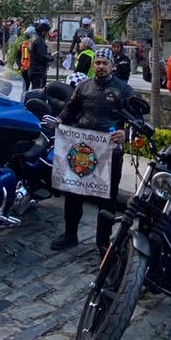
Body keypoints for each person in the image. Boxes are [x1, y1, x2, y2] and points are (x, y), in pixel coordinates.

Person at [52, 47, 132, 252]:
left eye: (105, 63)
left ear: (112, 66)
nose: (101, 66)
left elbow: (136, 119)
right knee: (74, 194)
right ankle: (70, 235)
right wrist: (59, 120)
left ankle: (103, 241)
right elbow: (70, 110)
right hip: (82, 150)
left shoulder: (124, 90)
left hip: (109, 153)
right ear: (93, 64)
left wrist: (126, 134)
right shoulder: (83, 87)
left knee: (107, 199)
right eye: (97, 62)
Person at [29, 21, 52, 89]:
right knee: (38, 91)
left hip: (33, 69)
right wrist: (50, 58)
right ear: (44, 32)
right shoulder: (39, 40)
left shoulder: (34, 38)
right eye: (47, 32)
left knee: (34, 89)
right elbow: (41, 56)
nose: (48, 34)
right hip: (38, 71)